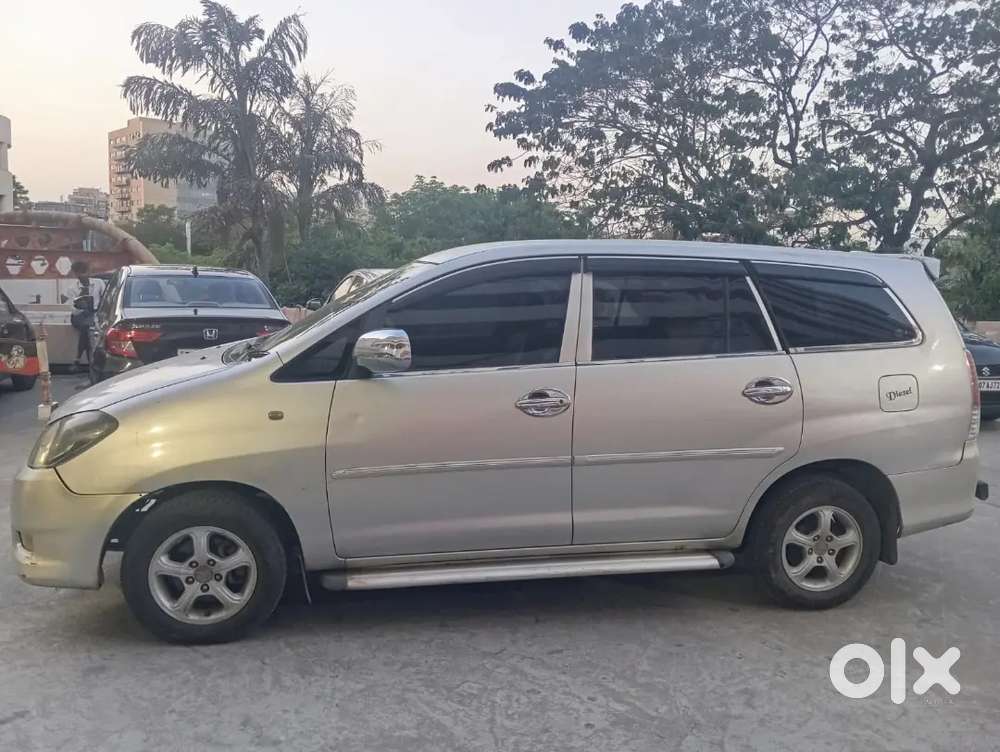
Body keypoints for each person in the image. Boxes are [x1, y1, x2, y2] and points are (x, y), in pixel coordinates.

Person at [62, 260, 106, 372]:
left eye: (84, 272)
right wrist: (80, 303)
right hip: (79, 316)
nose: (82, 275)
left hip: (94, 314)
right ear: (75, 274)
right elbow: (72, 309)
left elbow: (106, 299)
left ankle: (78, 359)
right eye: (79, 273)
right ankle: (91, 363)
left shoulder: (99, 283)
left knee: (86, 328)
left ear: (88, 272)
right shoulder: (72, 289)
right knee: (86, 326)